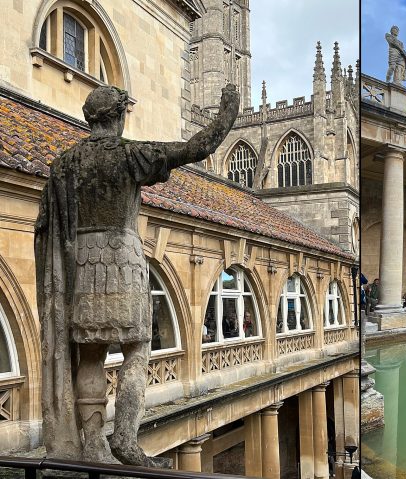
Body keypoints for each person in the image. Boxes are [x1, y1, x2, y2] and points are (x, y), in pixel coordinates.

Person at [34, 83, 240, 465]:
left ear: (89, 118)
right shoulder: (128, 155)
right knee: (137, 348)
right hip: (121, 259)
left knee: (90, 353)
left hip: (80, 264)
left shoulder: (64, 164)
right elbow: (197, 148)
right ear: (120, 114)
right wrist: (228, 111)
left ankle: (93, 445)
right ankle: (125, 438)